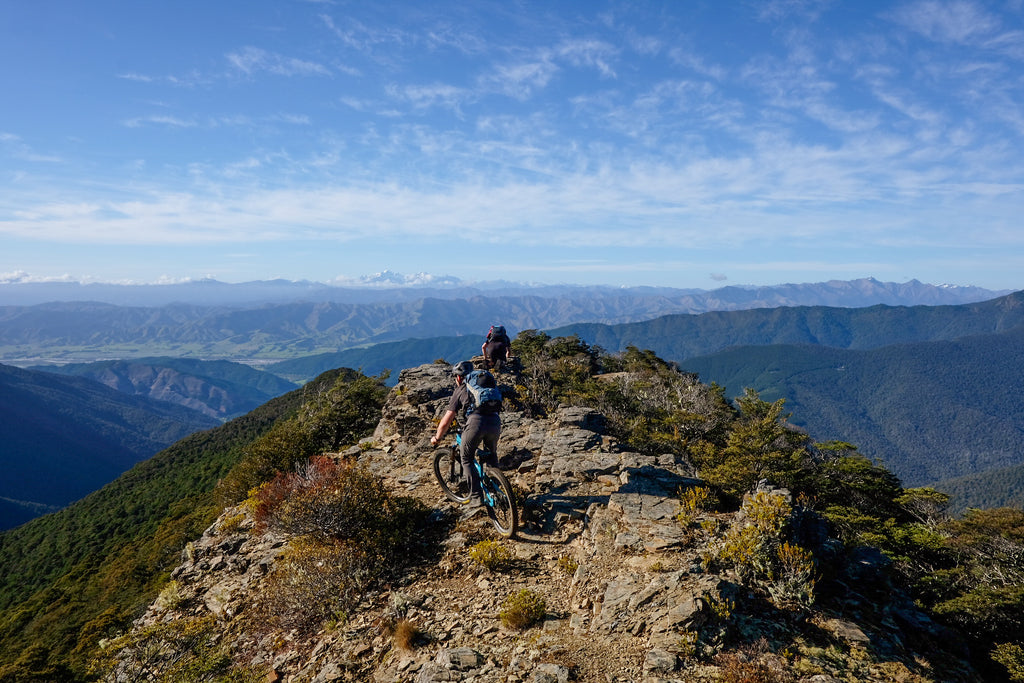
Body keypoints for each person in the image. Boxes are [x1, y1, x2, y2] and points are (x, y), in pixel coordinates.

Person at [430, 360, 502, 511]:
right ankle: (497, 489)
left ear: (458, 377)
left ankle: (476, 496)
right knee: (491, 454)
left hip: (476, 423)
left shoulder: (460, 390)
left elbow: (447, 420)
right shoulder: (484, 385)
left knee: (466, 458)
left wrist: (437, 438)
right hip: (495, 421)